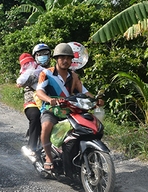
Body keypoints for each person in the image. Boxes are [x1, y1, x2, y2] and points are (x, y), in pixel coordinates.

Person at [35, 42, 102, 171]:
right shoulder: (46, 73)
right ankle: (49, 156)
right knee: (46, 126)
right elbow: (39, 91)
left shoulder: (74, 76)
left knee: (87, 126)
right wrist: (49, 100)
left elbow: (84, 91)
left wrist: (95, 100)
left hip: (70, 109)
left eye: (68, 58)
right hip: (52, 109)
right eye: (62, 58)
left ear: (72, 60)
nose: (65, 61)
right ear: (56, 59)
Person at [16, 44, 51, 156]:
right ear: (35, 57)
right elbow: (24, 81)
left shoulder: (53, 70)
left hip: (50, 100)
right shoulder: (31, 71)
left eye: (46, 54)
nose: (43, 56)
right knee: (35, 116)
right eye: (40, 54)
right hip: (33, 102)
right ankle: (31, 146)